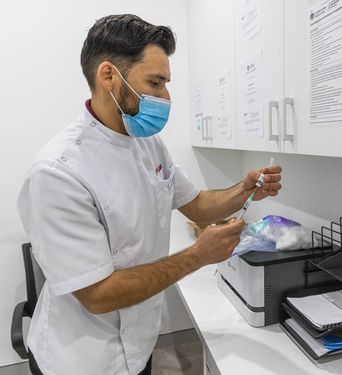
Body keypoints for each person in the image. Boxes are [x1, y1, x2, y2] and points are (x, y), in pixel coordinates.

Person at [17, 14, 282, 375]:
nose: (166, 97)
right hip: (82, 361)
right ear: (109, 76)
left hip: (140, 347)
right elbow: (97, 295)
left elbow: (197, 204)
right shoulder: (57, 172)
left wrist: (244, 189)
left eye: (166, 84)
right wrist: (197, 256)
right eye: (156, 82)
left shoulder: (148, 145)